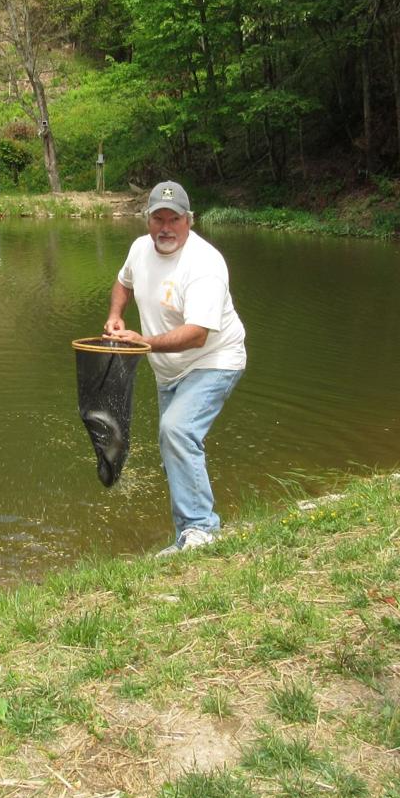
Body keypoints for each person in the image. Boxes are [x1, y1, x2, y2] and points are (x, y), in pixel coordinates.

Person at [104, 181, 246, 556]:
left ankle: (201, 530)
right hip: (169, 370)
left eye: (174, 219)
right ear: (147, 219)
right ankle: (188, 533)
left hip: (214, 360)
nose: (165, 227)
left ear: (189, 221)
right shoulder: (139, 249)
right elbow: (123, 283)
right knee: (175, 448)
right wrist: (116, 316)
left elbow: (198, 334)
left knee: (176, 430)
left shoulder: (205, 264)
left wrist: (143, 343)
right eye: (157, 219)